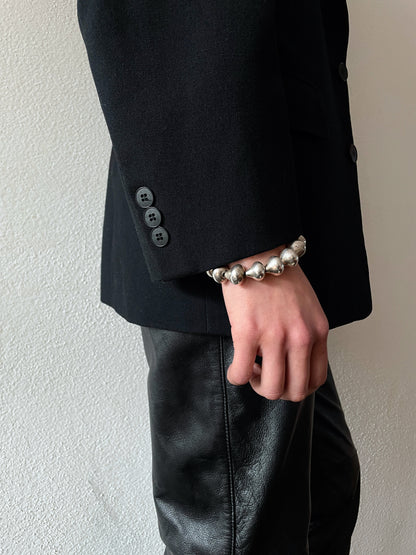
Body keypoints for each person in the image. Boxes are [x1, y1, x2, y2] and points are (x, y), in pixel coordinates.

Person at [77, 1, 373, 553]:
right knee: (244, 533)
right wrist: (248, 257)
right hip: (234, 248)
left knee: (320, 496)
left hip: (271, 225)